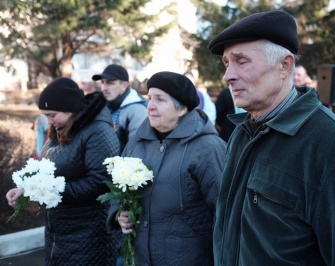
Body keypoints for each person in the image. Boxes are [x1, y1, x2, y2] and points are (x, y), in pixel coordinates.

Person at [207, 10, 335, 265]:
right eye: (227, 63)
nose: (228, 76)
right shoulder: (242, 132)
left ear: (285, 65)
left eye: (241, 61)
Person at [107, 71, 227, 265]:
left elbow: (226, 214)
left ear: (181, 109)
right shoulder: (137, 142)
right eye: (149, 98)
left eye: (160, 100)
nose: (150, 106)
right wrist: (120, 213)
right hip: (141, 258)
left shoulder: (208, 148)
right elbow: (117, 189)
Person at [6, 77, 120, 265]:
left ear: (71, 109)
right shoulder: (61, 127)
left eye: (52, 114)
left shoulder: (98, 131)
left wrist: (52, 190)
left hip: (89, 233)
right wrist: (26, 189)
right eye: (45, 115)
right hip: (59, 232)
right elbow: (49, 169)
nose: (48, 121)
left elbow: (101, 182)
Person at [92, 64, 147, 152]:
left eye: (110, 83)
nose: (104, 88)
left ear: (124, 86)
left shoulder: (136, 110)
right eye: (102, 82)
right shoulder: (104, 105)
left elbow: (136, 150)